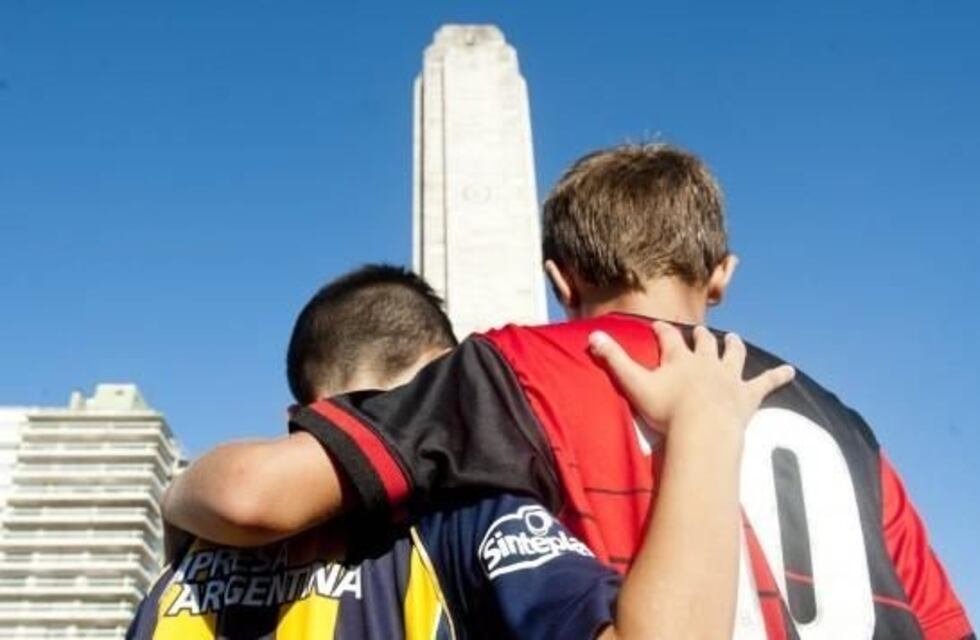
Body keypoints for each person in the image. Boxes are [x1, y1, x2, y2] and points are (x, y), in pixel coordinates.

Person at [165, 146, 973, 639]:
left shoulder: (518, 366)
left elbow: (254, 496)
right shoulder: (844, 426)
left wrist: (172, 500)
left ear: (558, 277)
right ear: (721, 277)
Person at [140, 263, 791, 639]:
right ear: (447, 383)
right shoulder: (466, 516)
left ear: (298, 417)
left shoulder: (191, 561)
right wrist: (706, 429)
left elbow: (242, 492)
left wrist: (179, 497)